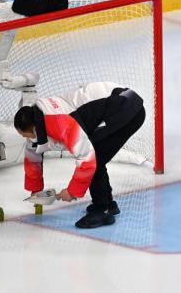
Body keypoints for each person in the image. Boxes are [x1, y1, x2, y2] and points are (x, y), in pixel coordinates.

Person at [13, 81, 146, 228]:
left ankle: (102, 210)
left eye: (26, 135)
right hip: (120, 104)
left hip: (128, 108)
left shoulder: (60, 124)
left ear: (34, 129)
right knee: (96, 154)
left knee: (95, 156)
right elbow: (33, 158)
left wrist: (72, 192)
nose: (26, 139)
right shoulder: (38, 121)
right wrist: (35, 190)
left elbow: (87, 158)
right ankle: (107, 204)